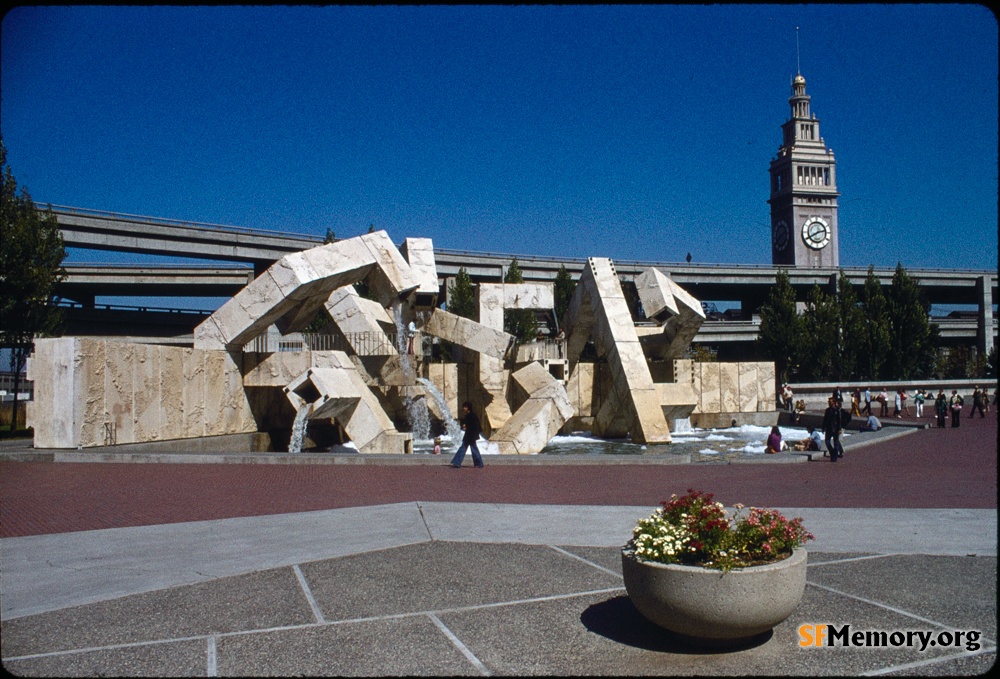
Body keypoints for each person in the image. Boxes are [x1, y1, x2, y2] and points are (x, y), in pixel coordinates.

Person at [450, 401, 484, 468]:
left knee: (468, 448)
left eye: (465, 407)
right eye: (464, 407)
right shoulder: (470, 415)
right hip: (470, 435)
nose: (464, 408)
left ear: (469, 408)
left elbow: (475, 426)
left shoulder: (471, 415)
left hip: (470, 435)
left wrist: (467, 428)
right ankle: (478, 463)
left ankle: (457, 462)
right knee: (470, 448)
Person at [822, 397, 845, 462]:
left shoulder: (837, 410)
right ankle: (833, 452)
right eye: (828, 401)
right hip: (828, 428)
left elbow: (839, 420)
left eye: (830, 401)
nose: (829, 402)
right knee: (827, 442)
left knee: (836, 443)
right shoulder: (827, 410)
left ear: (834, 402)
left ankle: (834, 457)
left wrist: (839, 429)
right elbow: (825, 419)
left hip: (835, 429)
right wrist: (823, 427)